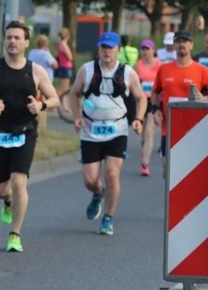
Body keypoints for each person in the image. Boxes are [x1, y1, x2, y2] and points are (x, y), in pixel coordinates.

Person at [0, 20, 60, 252]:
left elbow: (55, 99)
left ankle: (15, 234)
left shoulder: (36, 71)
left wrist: (40, 106)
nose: (12, 41)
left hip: (25, 132)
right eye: (9, 37)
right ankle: (8, 201)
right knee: (1, 190)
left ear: (26, 42)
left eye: (17, 38)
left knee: (19, 180)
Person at [68, 31, 147, 235]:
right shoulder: (87, 70)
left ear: (118, 50)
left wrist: (137, 119)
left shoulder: (128, 73)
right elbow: (74, 93)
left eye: (110, 47)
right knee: (90, 179)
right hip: (90, 130)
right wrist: (77, 116)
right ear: (99, 49)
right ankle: (97, 193)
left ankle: (108, 218)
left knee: (112, 174)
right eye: (103, 47)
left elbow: (141, 98)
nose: (106, 51)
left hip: (117, 130)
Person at [151, 30, 208, 172]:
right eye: (178, 41)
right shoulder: (164, 69)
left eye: (185, 41)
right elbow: (155, 91)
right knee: (167, 172)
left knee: (192, 171)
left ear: (191, 45)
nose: (181, 44)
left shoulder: (202, 70)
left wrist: (204, 99)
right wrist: (156, 109)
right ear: (174, 45)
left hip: (194, 128)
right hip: (169, 128)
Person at [135, 39, 161, 176]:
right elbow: (132, 83)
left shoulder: (159, 65)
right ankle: (144, 153)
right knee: (142, 135)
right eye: (143, 49)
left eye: (148, 49)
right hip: (141, 101)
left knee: (149, 132)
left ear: (154, 50)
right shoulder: (137, 65)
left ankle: (145, 164)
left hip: (154, 101)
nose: (145, 51)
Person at [55, 27, 74, 116]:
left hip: (62, 66)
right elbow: (70, 57)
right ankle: (55, 104)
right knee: (63, 89)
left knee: (63, 88)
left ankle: (65, 106)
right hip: (66, 67)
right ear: (67, 36)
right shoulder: (64, 45)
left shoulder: (59, 44)